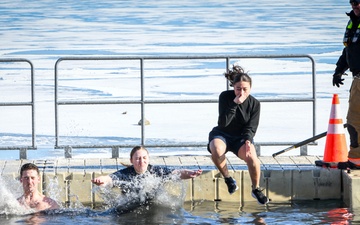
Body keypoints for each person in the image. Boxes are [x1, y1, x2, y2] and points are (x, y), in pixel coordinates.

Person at [207, 65, 269, 205]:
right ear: (233, 87)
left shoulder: (255, 104)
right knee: (216, 149)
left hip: (241, 137)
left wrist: (248, 140)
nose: (241, 92)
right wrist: (234, 104)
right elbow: (223, 123)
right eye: (238, 89)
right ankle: (228, 179)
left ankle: (256, 189)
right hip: (222, 133)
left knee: (252, 157)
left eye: (245, 89)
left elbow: (251, 126)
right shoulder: (225, 96)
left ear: (250, 88)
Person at [92, 146, 202, 203]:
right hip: (129, 208)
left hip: (153, 206)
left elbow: (176, 173)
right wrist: (100, 180)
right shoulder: (126, 174)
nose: (141, 161)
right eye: (137, 159)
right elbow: (109, 178)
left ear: (148, 159)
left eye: (144, 158)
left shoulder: (155, 171)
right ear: (131, 160)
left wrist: (190, 173)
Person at [332, 0, 360, 168]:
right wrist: (339, 69)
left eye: (357, 2)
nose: (354, 6)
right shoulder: (353, 22)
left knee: (354, 120)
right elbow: (349, 50)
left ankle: (356, 160)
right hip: (357, 78)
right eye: (352, 2)